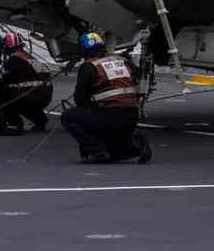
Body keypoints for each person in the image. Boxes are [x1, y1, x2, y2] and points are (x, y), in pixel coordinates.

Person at [60, 33, 150, 164]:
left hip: (111, 116)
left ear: (84, 49)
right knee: (114, 155)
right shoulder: (121, 60)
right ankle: (137, 147)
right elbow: (136, 78)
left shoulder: (89, 66)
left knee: (68, 116)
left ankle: (97, 151)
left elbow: (80, 100)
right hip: (132, 116)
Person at [0, 32, 54, 132]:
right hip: (43, 95)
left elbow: (6, 78)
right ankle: (39, 119)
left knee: (3, 94)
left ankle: (15, 123)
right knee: (20, 93)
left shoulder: (14, 60)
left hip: (34, 94)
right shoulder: (27, 57)